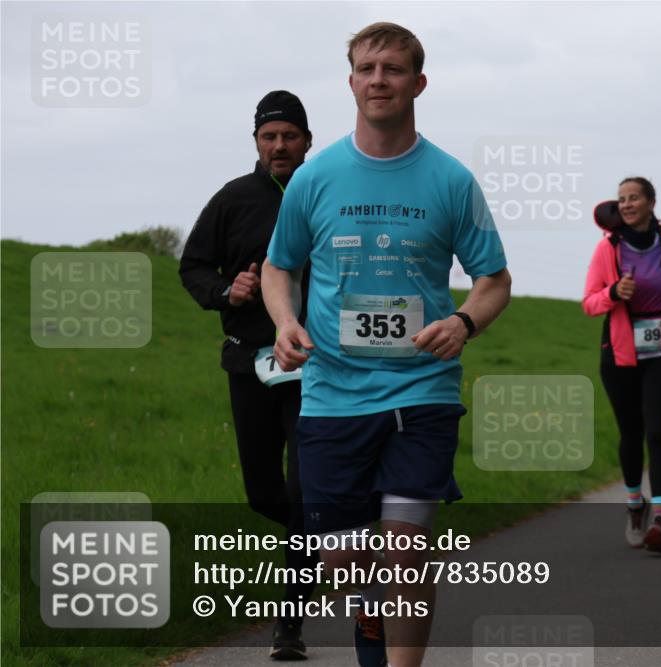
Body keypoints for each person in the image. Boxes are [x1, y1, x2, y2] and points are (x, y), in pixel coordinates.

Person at [260, 23, 510, 667]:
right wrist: (285, 322)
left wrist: (463, 322)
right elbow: (277, 266)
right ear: (351, 82)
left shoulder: (451, 180)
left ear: (417, 83)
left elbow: (494, 279)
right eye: (367, 69)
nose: (379, 79)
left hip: (419, 391)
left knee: (405, 552)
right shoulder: (316, 179)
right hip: (332, 394)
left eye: (393, 69)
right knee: (345, 563)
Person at [179, 90, 316, 661]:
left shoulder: (330, 187)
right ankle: (339, 540)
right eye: (269, 136)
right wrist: (223, 291)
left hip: (318, 367)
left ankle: (290, 620)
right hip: (251, 362)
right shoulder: (233, 199)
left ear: (307, 140)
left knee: (302, 490)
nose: (279, 145)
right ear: (257, 142)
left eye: (289, 135)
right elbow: (192, 265)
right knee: (264, 493)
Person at [583, 177, 661, 554]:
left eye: (634, 198)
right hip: (619, 354)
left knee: (657, 432)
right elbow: (589, 302)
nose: (627, 204)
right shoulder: (608, 249)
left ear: (651, 202)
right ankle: (636, 504)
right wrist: (614, 292)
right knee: (631, 433)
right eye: (622, 200)